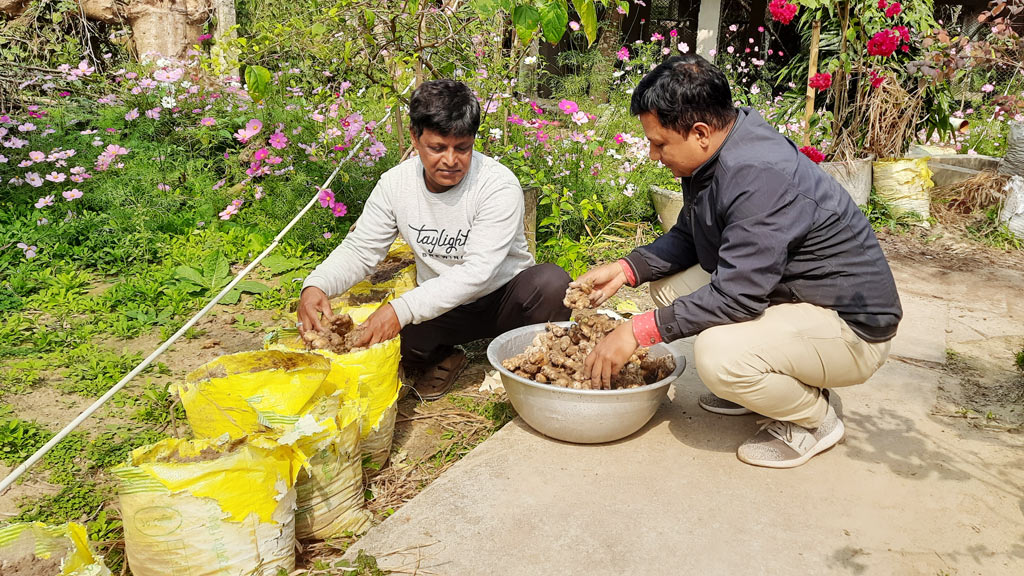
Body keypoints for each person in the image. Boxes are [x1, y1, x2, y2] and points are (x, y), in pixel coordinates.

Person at [576, 54, 902, 468]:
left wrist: (635, 332)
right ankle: (770, 383)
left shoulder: (757, 174)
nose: (655, 155)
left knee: (719, 358)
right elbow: (692, 236)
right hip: (795, 295)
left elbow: (736, 298)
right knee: (667, 288)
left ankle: (815, 421)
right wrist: (626, 269)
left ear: (699, 132)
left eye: (659, 143)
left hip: (851, 330)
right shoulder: (722, 146)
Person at [298, 79, 571, 400]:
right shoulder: (395, 185)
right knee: (385, 336)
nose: (451, 160)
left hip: (504, 300)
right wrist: (316, 285)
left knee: (553, 285)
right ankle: (444, 356)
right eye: (438, 148)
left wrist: (400, 310)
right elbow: (361, 250)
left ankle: (529, 357)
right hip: (442, 305)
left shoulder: (497, 185)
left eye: (463, 148)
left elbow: (478, 272)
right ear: (415, 138)